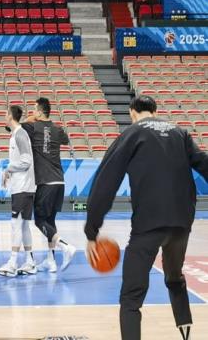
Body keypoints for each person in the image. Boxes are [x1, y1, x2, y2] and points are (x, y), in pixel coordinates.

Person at [85, 96, 208, 340]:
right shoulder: (180, 133)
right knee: (174, 276)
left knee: (131, 297)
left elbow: (106, 181)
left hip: (148, 224)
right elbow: (204, 164)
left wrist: (92, 229)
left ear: (132, 112)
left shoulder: (132, 133)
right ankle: (185, 330)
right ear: (155, 110)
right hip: (182, 223)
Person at [22, 97, 76, 273]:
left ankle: (65, 246)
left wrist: (30, 118)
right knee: (50, 221)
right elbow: (66, 140)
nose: (32, 112)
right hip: (59, 181)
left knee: (39, 221)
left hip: (46, 182)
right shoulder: (57, 129)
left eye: (34, 109)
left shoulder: (32, 127)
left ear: (39, 112)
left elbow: (12, 127)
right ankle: (51, 260)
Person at [0, 105, 37, 277]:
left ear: (11, 116)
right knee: (24, 224)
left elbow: (26, 161)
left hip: (23, 187)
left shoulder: (20, 134)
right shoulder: (15, 135)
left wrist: (9, 168)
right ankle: (30, 262)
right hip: (23, 187)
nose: (4, 116)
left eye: (6, 114)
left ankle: (12, 263)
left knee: (16, 224)